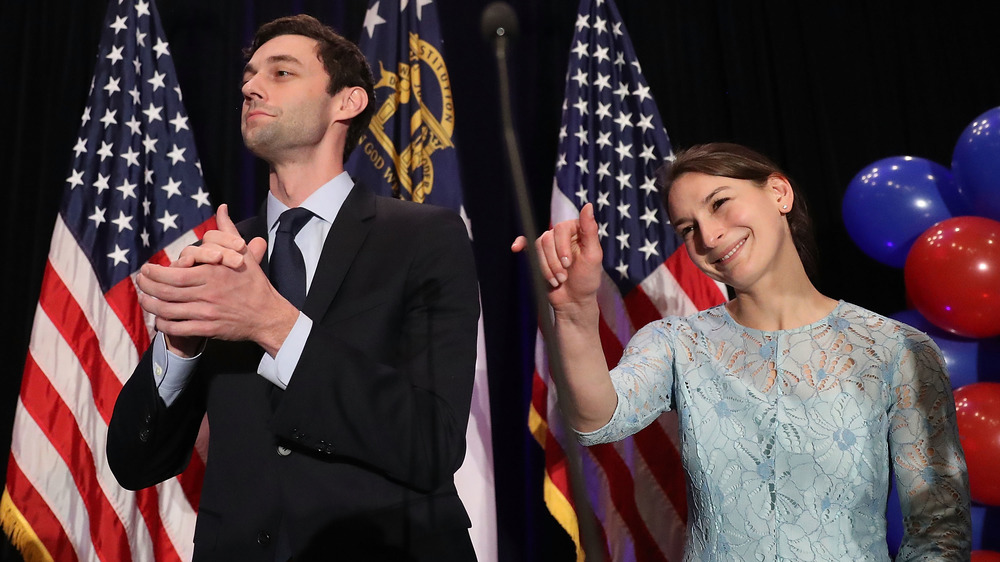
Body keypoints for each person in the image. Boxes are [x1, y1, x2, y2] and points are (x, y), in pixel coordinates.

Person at [107, 14, 480, 561]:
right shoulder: (226, 260)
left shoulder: (425, 237)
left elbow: (432, 441)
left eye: (281, 72)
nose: (252, 86)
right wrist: (180, 346)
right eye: (250, 77)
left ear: (347, 103)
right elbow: (134, 464)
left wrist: (270, 323)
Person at [513, 143, 971, 560]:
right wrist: (574, 313)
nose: (709, 237)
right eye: (688, 228)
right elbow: (597, 421)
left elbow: (938, 531)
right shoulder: (677, 342)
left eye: (719, 204)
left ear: (778, 193)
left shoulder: (896, 348)